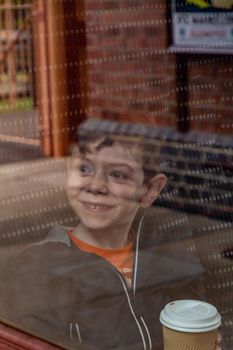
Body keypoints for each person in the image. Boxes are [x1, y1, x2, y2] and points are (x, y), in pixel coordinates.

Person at [0, 120, 223, 350]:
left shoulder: (171, 260)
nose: (96, 186)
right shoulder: (36, 269)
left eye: (117, 174)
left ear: (150, 190)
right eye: (84, 169)